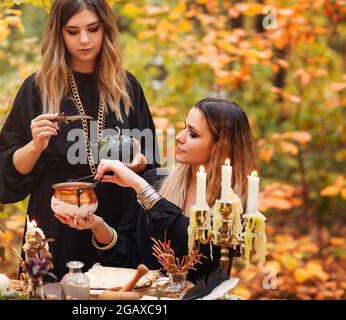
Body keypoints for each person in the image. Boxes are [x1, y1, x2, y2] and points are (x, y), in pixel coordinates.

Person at [0, 0, 159, 279]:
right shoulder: (37, 88)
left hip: (116, 226)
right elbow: (7, 183)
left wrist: (139, 166)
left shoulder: (127, 87)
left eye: (93, 29)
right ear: (58, 34)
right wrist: (35, 146)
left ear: (105, 29)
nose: (84, 40)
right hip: (55, 228)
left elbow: (154, 174)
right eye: (73, 31)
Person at [57, 98, 256, 283]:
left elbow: (191, 246)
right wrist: (98, 226)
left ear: (220, 147)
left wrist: (138, 184)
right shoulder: (157, 181)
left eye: (193, 134)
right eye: (183, 128)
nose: (179, 137)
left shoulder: (231, 206)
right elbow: (128, 258)